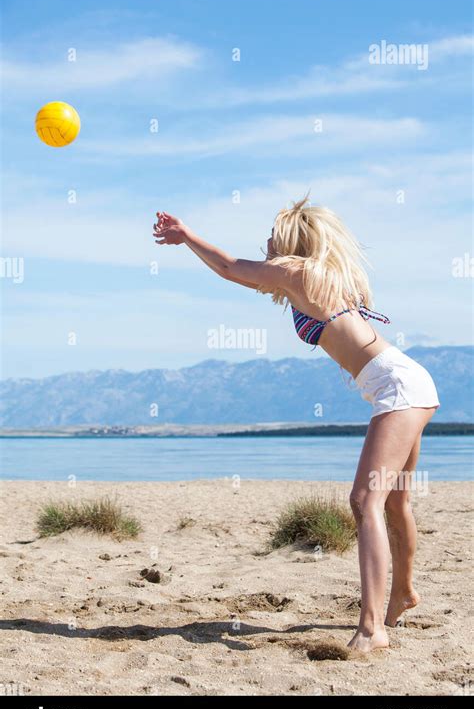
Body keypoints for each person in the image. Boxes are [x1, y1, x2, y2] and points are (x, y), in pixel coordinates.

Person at [153, 195, 440, 653]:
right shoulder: (309, 280)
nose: (266, 241)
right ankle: (402, 593)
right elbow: (244, 276)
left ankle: (372, 629)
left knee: (365, 501)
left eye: (273, 234)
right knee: (394, 502)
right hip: (407, 384)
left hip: (398, 389)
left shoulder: (299, 273)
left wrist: (186, 236)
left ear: (291, 242)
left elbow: (230, 268)